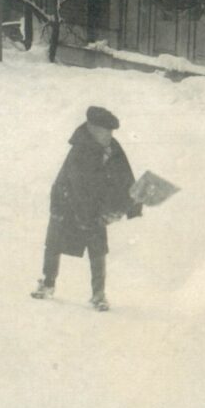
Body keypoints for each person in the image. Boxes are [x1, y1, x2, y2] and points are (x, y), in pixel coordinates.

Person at [31, 106, 142, 311]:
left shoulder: (112, 147)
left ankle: (98, 295)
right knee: (55, 245)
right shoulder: (80, 150)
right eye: (105, 131)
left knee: (98, 250)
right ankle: (47, 284)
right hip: (67, 204)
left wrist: (132, 204)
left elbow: (125, 177)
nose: (109, 135)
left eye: (111, 131)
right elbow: (79, 188)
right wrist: (96, 216)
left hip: (94, 206)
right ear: (92, 128)